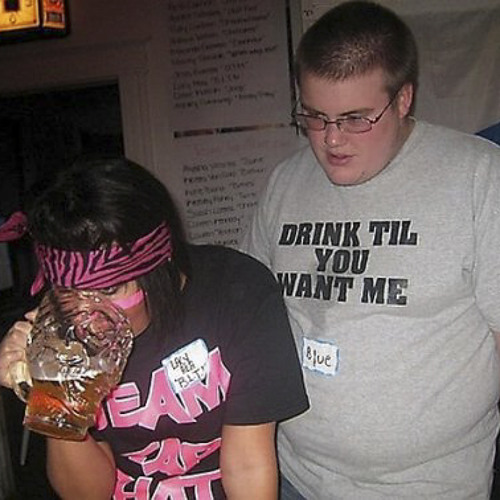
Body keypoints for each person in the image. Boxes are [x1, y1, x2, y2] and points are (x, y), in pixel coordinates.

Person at [240, 1, 500, 499]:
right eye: (315, 117)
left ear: (403, 99)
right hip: (297, 477)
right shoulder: (284, 183)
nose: (331, 140)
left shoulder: (478, 177)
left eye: (355, 118)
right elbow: (250, 314)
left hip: (428, 487)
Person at [0, 157, 309, 499]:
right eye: (69, 292)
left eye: (109, 290)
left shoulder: (238, 292)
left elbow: (248, 467)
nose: (87, 316)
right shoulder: (62, 331)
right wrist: (52, 393)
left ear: (160, 262)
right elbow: (88, 494)